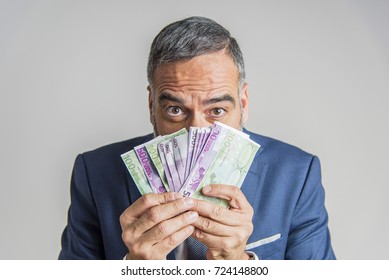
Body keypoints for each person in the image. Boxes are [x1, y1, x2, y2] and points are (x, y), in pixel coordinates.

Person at [59, 16, 335, 260]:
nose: (197, 132)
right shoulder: (95, 173)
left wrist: (239, 266)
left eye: (217, 110)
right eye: (175, 110)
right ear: (151, 106)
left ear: (244, 103)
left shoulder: (296, 174)